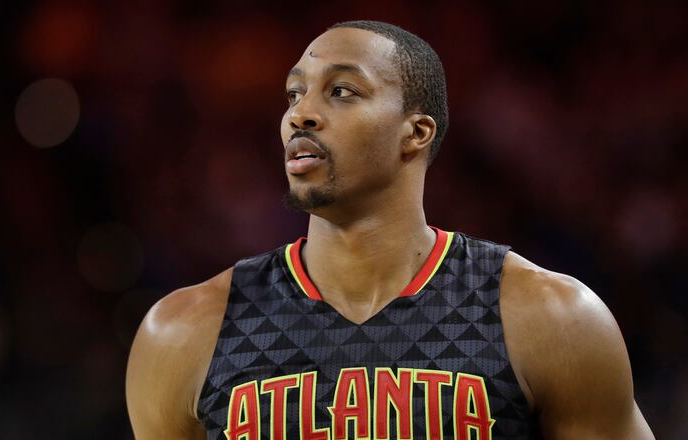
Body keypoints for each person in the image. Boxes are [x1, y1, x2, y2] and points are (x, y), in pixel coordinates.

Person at [126, 20, 654, 439]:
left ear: (416, 132)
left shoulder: (551, 319)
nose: (301, 114)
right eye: (294, 94)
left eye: (342, 91)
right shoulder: (183, 332)